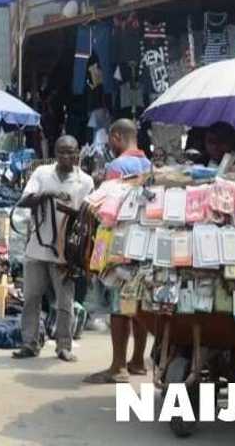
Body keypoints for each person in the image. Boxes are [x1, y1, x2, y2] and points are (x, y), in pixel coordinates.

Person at [12, 136, 93, 363]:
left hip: (65, 253)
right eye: (62, 152)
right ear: (55, 153)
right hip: (36, 248)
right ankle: (29, 343)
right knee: (31, 298)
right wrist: (47, 195)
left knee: (64, 302)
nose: (66, 157)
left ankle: (63, 346)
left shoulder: (84, 182)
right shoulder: (41, 174)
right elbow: (24, 201)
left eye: (71, 152)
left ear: (78, 153)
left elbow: (88, 217)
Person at [84, 119, 152, 386]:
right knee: (137, 303)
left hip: (120, 242)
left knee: (117, 305)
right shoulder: (148, 165)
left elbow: (107, 210)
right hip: (143, 241)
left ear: (116, 136)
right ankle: (137, 361)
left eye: (110, 140)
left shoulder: (116, 167)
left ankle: (118, 366)